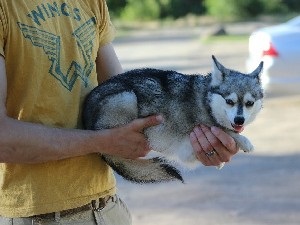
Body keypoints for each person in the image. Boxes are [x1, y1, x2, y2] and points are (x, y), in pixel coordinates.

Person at [0, 0, 239, 224]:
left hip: (108, 210)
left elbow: (126, 101)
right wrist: (101, 141)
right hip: (37, 216)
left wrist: (204, 134)